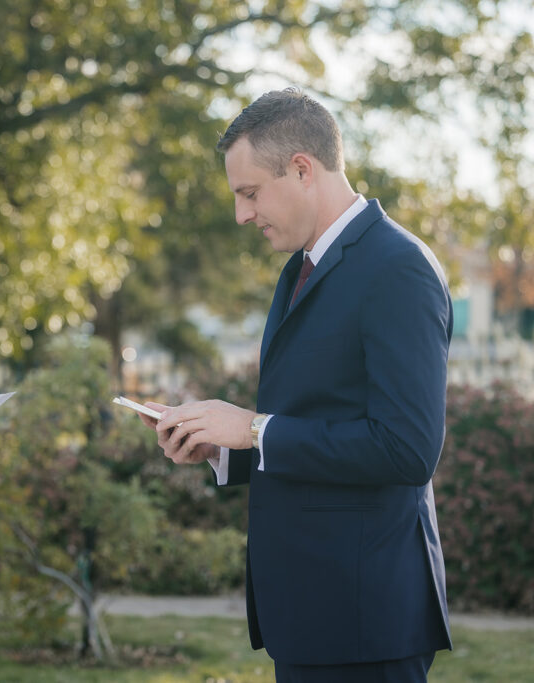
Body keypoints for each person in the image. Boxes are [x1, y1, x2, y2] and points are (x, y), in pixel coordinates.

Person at [138, 89, 453, 681]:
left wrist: (254, 428)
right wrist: (224, 447)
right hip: (311, 612)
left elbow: (407, 449)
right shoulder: (299, 268)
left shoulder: (398, 267)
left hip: (365, 618)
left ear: (303, 169)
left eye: (249, 193)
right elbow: (312, 415)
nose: (242, 215)